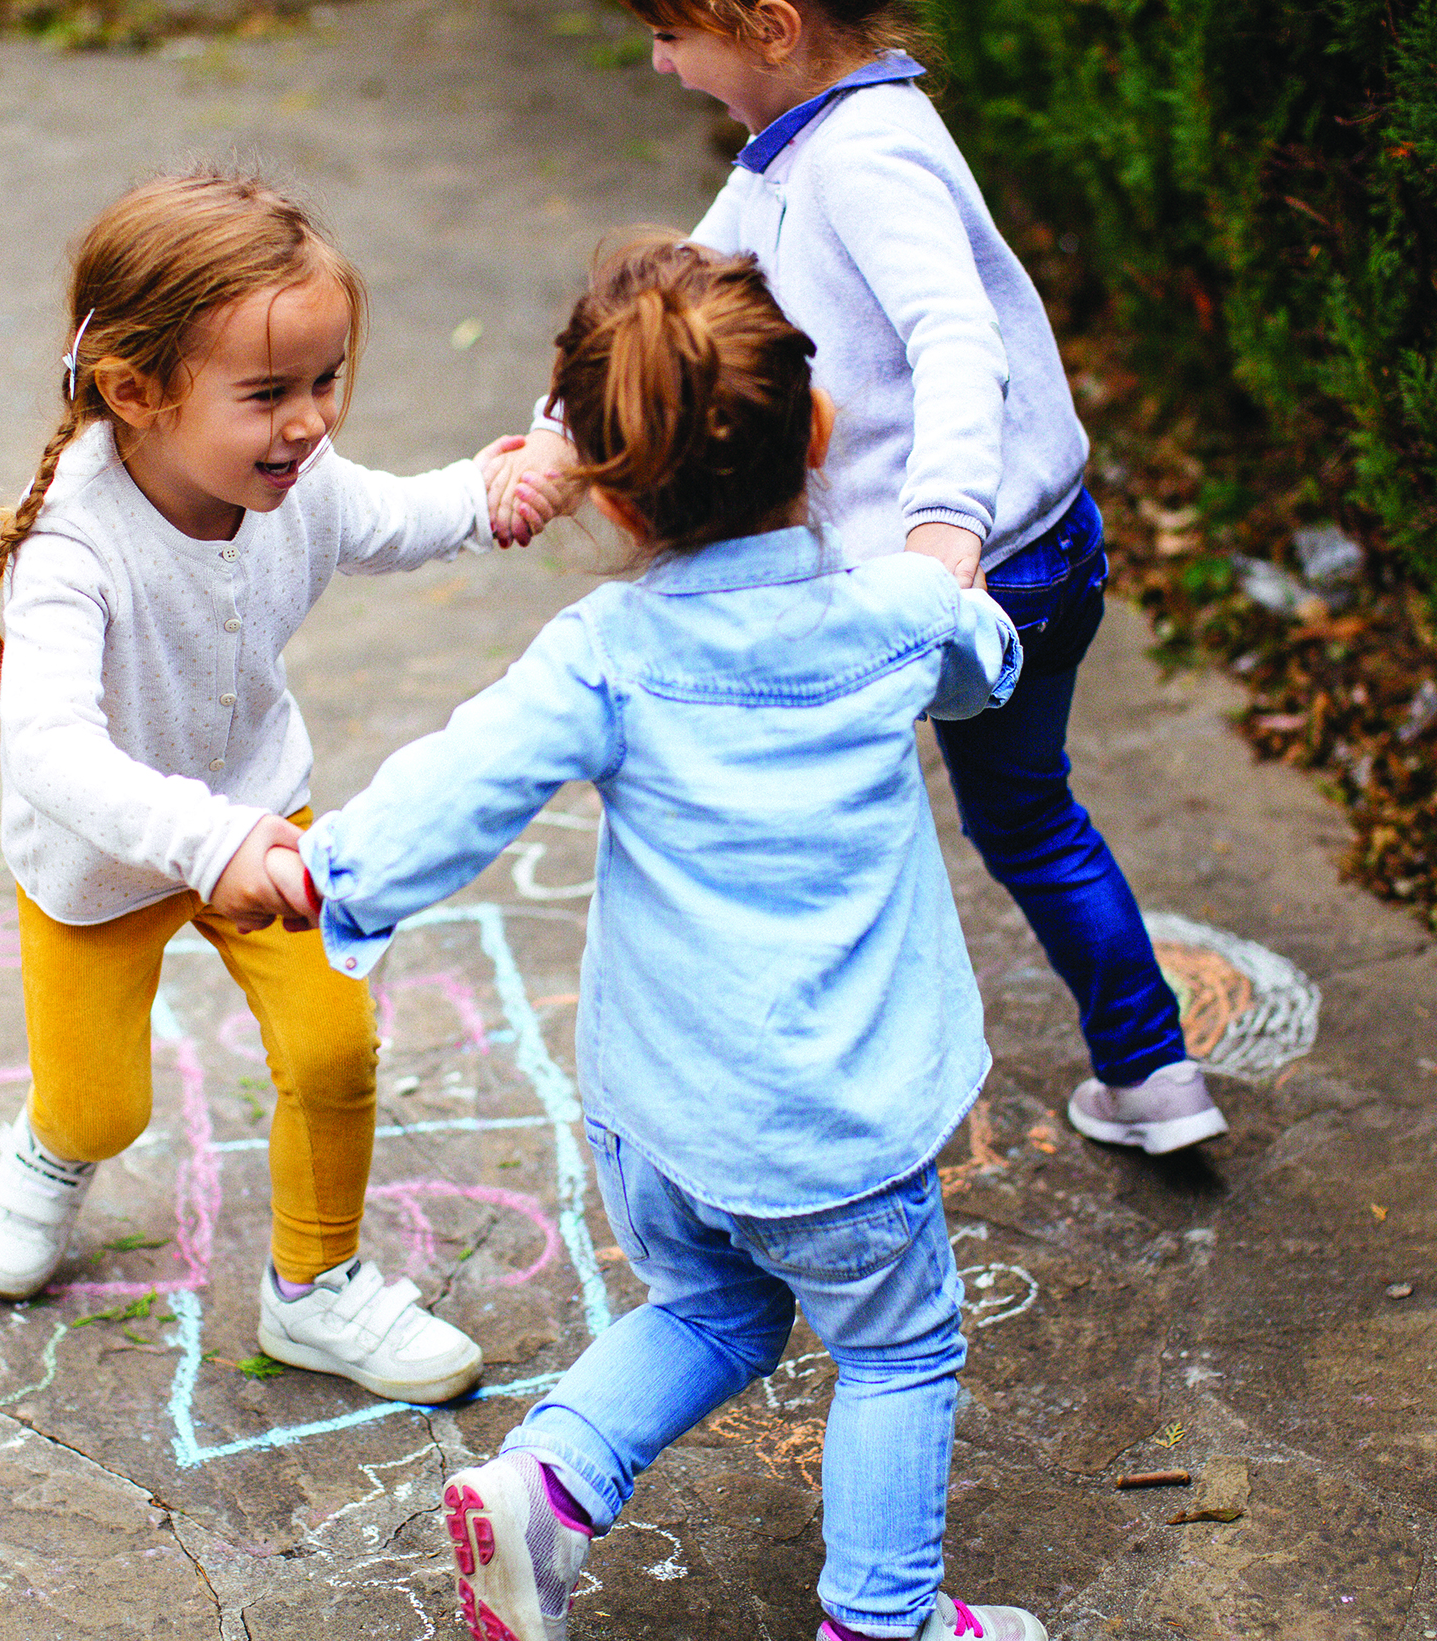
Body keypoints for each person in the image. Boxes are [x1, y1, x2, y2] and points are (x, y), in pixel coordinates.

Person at [236, 239, 1045, 1641]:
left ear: (608, 491)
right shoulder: (896, 619)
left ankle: (548, 1484)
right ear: (819, 428)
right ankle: (883, 1621)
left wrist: (330, 869)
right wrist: (944, 585)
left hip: (660, 1116)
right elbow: (986, 668)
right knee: (899, 1347)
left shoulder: (608, 649)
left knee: (715, 1309)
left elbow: (466, 776)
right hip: (838, 1126)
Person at [486, 0, 1225, 1154]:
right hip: (1037, 547)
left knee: (808, 821)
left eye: (672, 36)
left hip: (959, 572)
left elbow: (957, 338)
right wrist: (554, 433)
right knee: (1030, 819)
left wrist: (945, 531)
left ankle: (815, 1098)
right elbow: (672, 302)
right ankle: (1153, 1077)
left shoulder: (865, 157)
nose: (658, 62)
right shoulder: (801, 145)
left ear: (770, 27)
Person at [0, 167, 526, 1404]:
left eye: (325, 380)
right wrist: (208, 846)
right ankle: (49, 1149)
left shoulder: (297, 483)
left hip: (262, 812)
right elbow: (51, 750)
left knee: (334, 1048)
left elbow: (400, 515)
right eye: (266, 394)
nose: (308, 424)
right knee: (101, 1110)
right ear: (134, 392)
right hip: (102, 863)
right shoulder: (72, 547)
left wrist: (495, 492)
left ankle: (316, 1290)